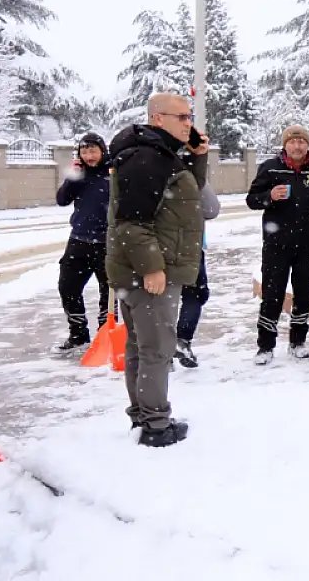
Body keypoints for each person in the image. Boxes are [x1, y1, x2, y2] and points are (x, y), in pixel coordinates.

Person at [107, 92, 207, 447]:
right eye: (181, 117)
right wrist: (152, 269)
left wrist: (198, 157)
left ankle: (143, 415)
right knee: (157, 350)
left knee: (141, 346)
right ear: (158, 118)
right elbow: (132, 223)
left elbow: (190, 199)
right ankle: (156, 426)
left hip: (146, 270)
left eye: (189, 116)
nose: (188, 123)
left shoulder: (161, 155)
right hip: (150, 274)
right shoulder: (148, 158)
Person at [247, 124, 309, 364]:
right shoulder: (270, 168)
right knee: (272, 296)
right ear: (285, 145)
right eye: (292, 141)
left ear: (308, 144)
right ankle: (265, 345)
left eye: (302, 141)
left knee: (304, 296)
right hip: (276, 245)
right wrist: (269, 197)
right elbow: (252, 200)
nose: (297, 145)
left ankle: (298, 342)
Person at [53, 132, 111, 353]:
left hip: (107, 243)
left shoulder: (113, 173)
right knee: (67, 287)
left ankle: (105, 335)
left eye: (93, 150)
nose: (89, 155)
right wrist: (72, 178)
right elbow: (61, 200)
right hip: (78, 241)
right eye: (84, 151)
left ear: (102, 151)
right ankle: (78, 333)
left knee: (109, 292)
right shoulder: (80, 174)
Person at [172, 182, 219, 368]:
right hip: (188, 248)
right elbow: (211, 209)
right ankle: (181, 340)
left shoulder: (145, 168)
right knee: (194, 294)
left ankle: (163, 349)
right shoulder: (190, 175)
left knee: (162, 299)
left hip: (156, 247)